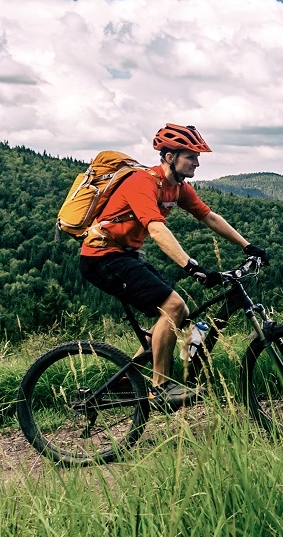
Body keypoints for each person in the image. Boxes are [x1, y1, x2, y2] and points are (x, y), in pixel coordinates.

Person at [78, 123, 268, 406]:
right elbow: (156, 229)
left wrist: (247, 246)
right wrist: (191, 266)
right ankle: (160, 389)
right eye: (191, 156)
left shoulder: (177, 188)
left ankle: (126, 380)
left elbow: (209, 216)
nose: (197, 162)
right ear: (170, 156)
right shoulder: (142, 182)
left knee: (181, 311)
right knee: (174, 306)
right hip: (101, 257)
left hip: (125, 255)